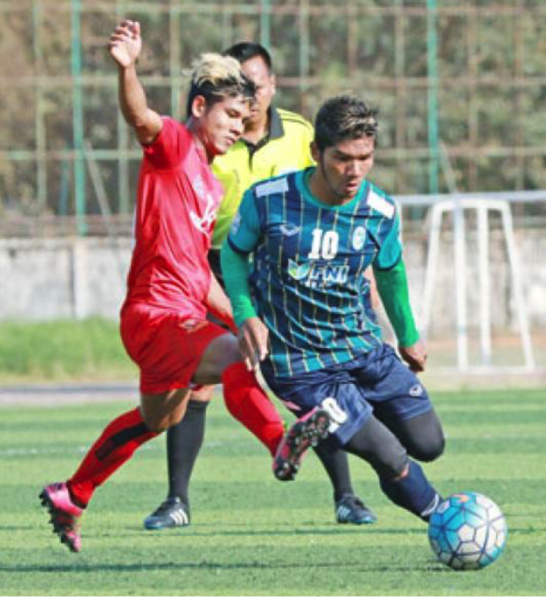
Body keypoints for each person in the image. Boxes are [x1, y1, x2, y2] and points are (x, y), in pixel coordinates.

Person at [39, 21, 325, 553]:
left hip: (175, 314)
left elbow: (197, 274)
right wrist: (127, 69)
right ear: (199, 108)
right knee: (239, 359)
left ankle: (72, 494)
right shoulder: (174, 146)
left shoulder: (210, 181)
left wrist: (242, 314)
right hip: (157, 316)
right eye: (229, 115)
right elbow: (140, 117)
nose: (238, 126)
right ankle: (280, 444)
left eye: (244, 117)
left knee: (156, 419)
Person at [143, 42, 377, 532]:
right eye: (241, 88)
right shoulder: (209, 141)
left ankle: (347, 496)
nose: (252, 97)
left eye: (259, 85)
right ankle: (176, 499)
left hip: (289, 273)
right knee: (198, 383)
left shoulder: (300, 135)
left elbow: (334, 195)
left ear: (271, 87)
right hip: (216, 268)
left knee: (316, 377)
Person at [222, 95, 447, 526]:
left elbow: (390, 272)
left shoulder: (379, 210)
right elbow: (234, 256)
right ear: (316, 153)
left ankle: (338, 420)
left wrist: (408, 335)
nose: (355, 171)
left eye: (365, 158)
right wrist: (245, 313)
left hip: (364, 349)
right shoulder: (268, 200)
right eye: (342, 158)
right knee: (389, 454)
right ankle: (448, 519)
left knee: (428, 444)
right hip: (300, 363)